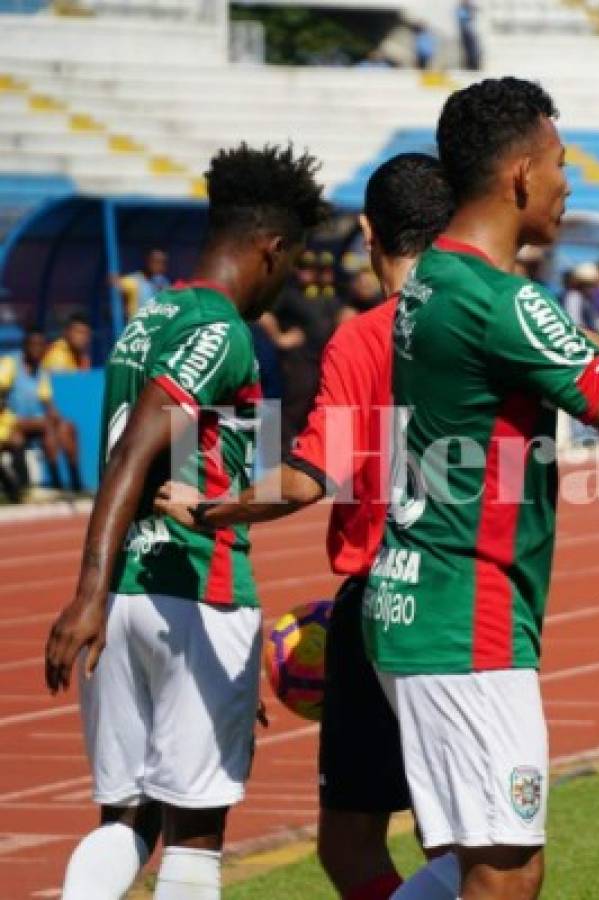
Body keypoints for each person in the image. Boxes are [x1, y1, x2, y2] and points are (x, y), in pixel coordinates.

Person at [361, 76, 599, 900]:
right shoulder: (501, 301)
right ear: (520, 175)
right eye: (559, 163)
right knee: (504, 875)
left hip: (419, 598)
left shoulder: (439, 280)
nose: (567, 182)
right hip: (465, 617)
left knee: (473, 865)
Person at [155, 152, 462, 900]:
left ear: (366, 233)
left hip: (378, 604)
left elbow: (306, 477)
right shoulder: (487, 323)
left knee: (353, 843)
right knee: (464, 840)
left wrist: (211, 506)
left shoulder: (360, 339)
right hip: (464, 600)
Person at [43, 144, 330, 900]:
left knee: (125, 816)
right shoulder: (225, 332)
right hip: (193, 589)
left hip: (127, 601)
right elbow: (139, 449)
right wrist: (86, 587)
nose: (292, 280)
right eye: (293, 259)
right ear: (270, 247)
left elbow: (216, 457)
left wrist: (97, 593)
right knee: (194, 831)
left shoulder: (151, 314)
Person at [0, 329, 83, 494]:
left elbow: (47, 400)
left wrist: (57, 418)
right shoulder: (11, 363)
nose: (37, 349)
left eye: (41, 345)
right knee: (46, 425)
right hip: (9, 421)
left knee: (66, 427)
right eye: (33, 345)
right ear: (25, 346)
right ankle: (56, 480)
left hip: (34, 424)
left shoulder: (41, 370)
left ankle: (74, 482)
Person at [273, 248, 341, 449]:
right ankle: (285, 447)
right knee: (295, 403)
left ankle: (309, 444)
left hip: (325, 358)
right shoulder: (288, 293)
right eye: (305, 268)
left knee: (319, 403)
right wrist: (279, 338)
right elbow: (266, 315)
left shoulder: (329, 295)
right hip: (299, 359)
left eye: (315, 269)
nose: (310, 273)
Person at [116, 248, 170, 320]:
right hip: (138, 327)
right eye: (157, 262)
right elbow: (115, 287)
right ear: (148, 261)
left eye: (163, 263)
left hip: (156, 326)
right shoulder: (132, 281)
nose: (160, 266)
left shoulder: (163, 282)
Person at [458, 0, 481, 70]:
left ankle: (473, 64)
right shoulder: (462, 10)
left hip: (469, 31)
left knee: (473, 49)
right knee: (469, 49)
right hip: (465, 32)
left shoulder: (467, 9)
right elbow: (464, 18)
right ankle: (471, 65)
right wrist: (471, 12)